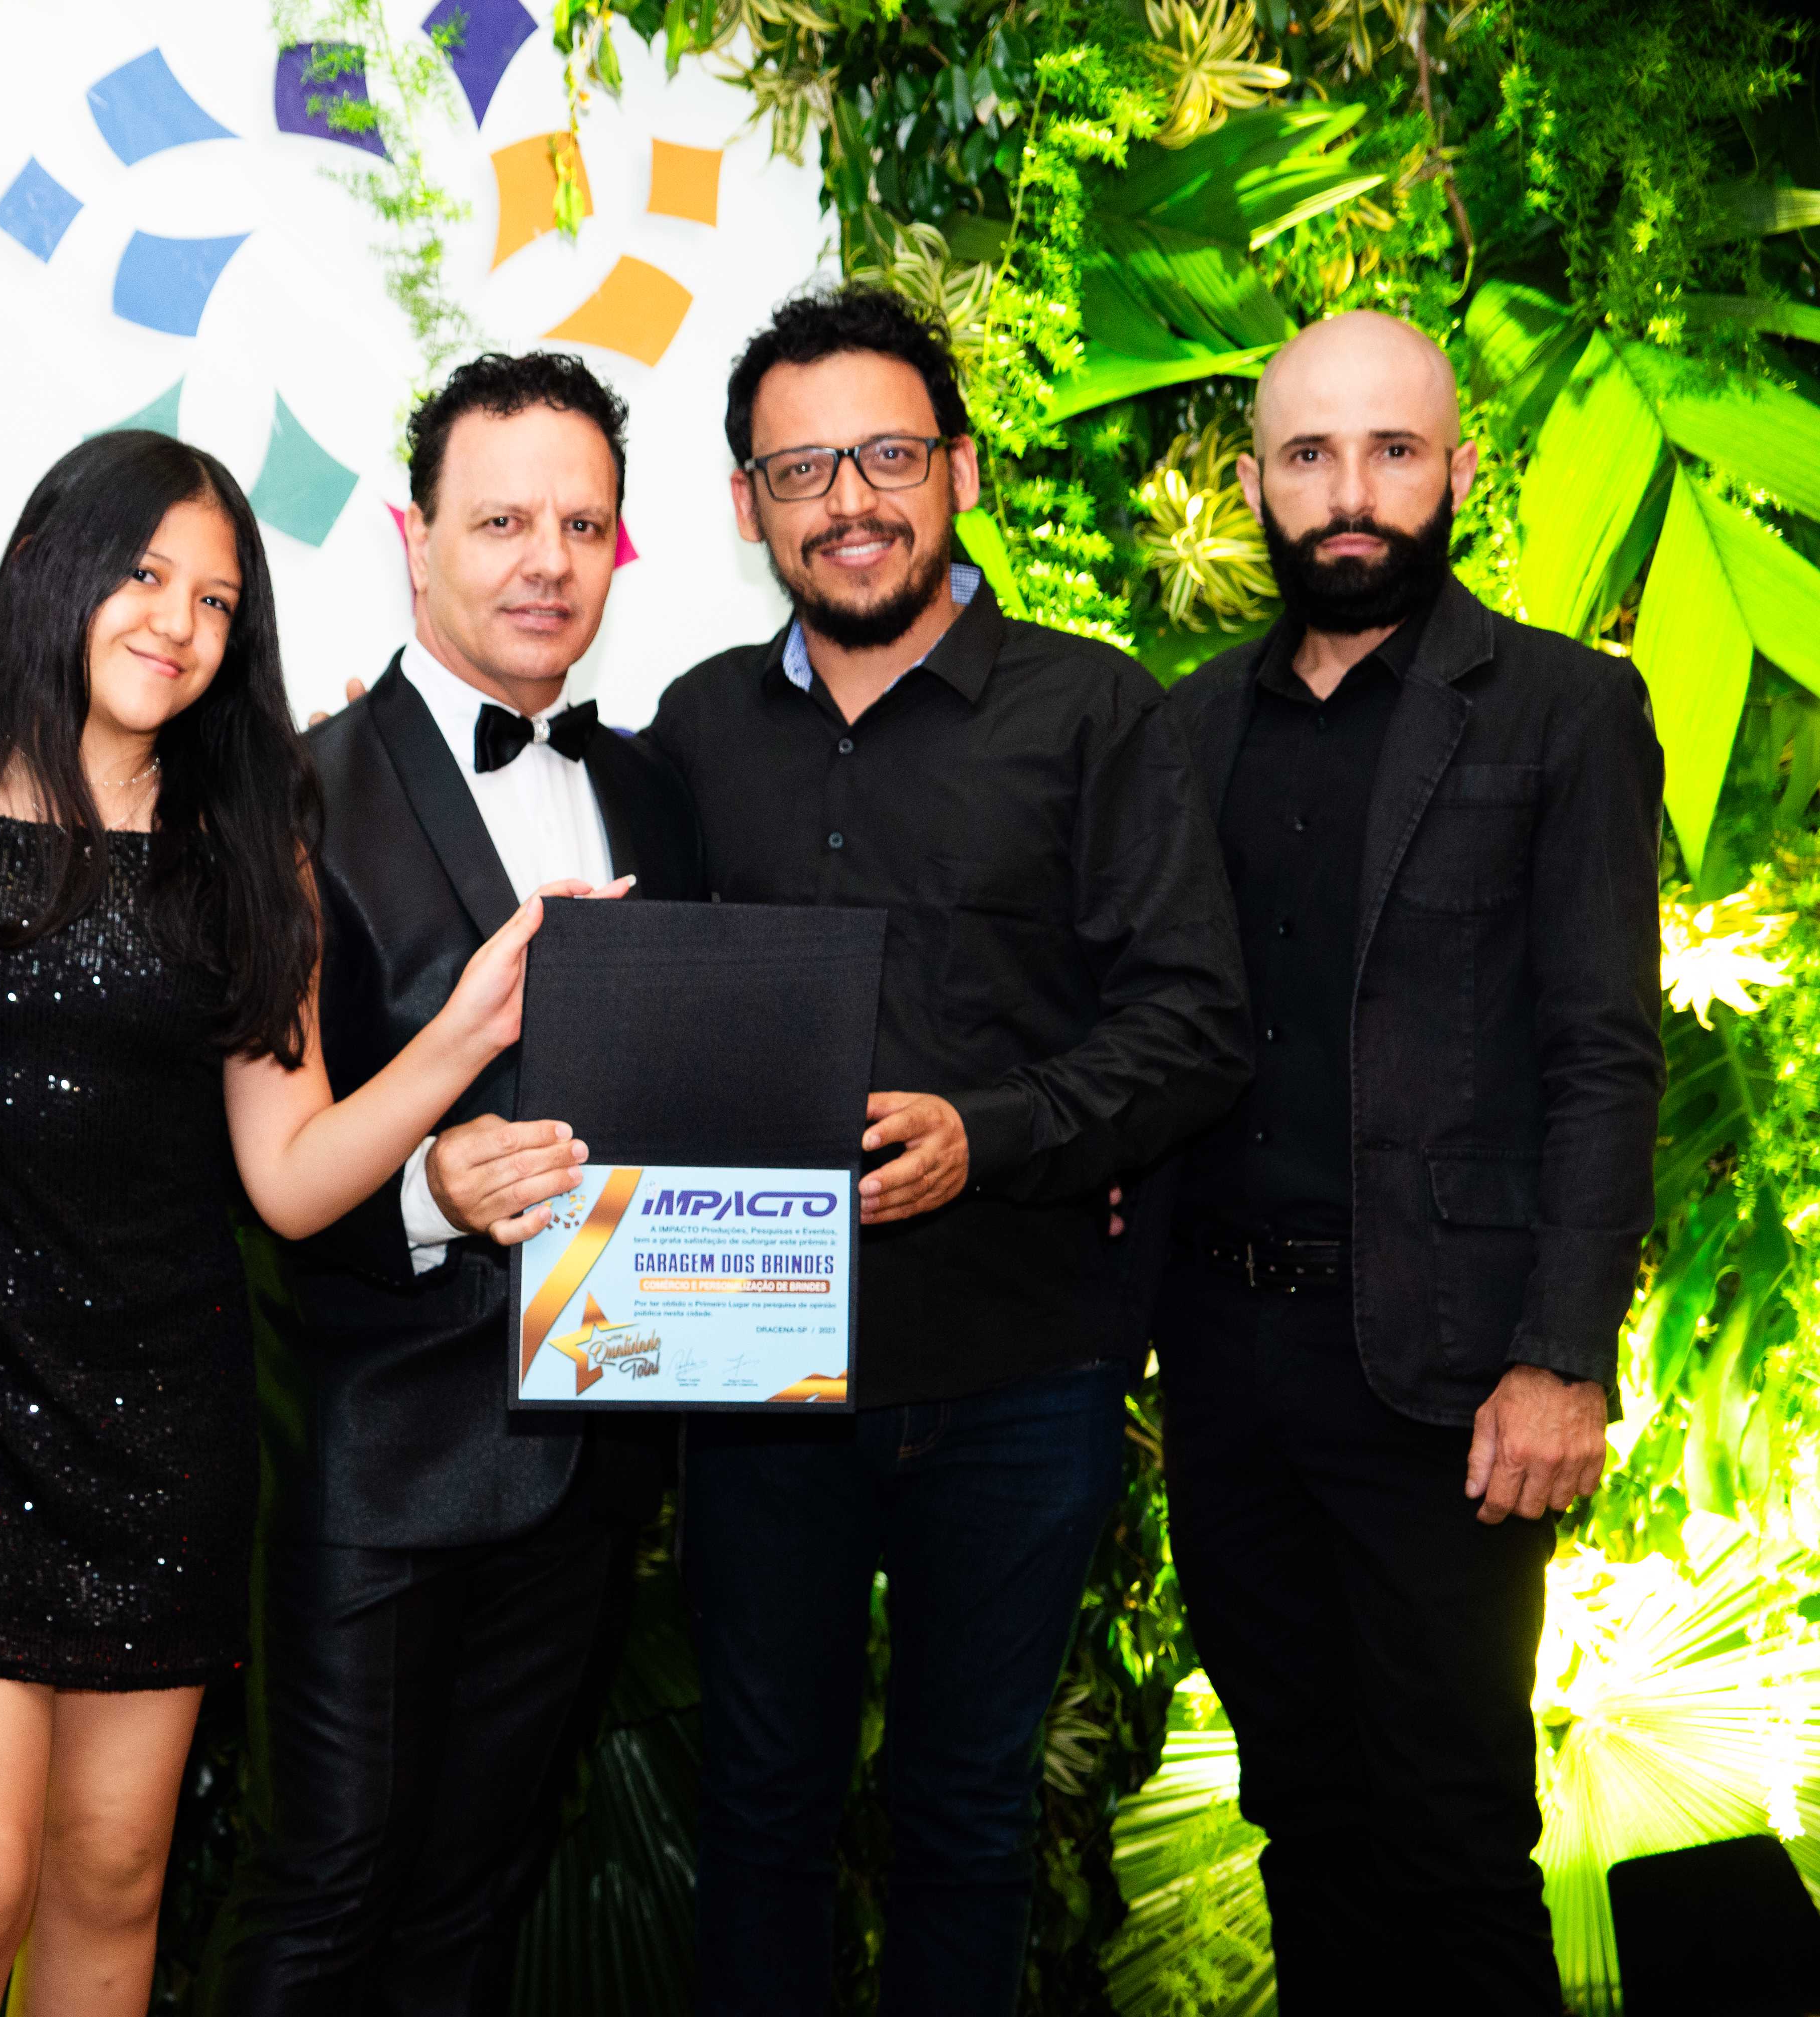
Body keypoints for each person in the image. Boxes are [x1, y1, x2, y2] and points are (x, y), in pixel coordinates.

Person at [0, 428, 592, 2017]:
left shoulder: (244, 853)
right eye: (143, 576)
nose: (178, 624)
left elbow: (294, 1175)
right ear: (51, 568)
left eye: (216, 601)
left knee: (113, 1876)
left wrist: (468, 1031)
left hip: (163, 1428)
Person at [638, 288, 1251, 2015]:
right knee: (759, 1810)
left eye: (889, 456)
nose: (850, 502)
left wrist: (993, 1134)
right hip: (752, 1370)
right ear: (748, 504)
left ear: (962, 472)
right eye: (802, 469)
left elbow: (1196, 1020)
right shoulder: (694, 730)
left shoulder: (1094, 712)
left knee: (969, 1820)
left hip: (1019, 1371)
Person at [1155, 311, 1662, 2012]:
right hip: (1226, 1366)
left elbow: (1603, 1051)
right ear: (1255, 485)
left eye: (1391, 451)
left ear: (1459, 471)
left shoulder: (1564, 711)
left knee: (1452, 1838)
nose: (1350, 492)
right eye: (1309, 455)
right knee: (1301, 1819)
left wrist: (1564, 1357)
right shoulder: (1185, 730)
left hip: (1450, 1383)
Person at [205, 352, 701, 2015]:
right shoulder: (288, 792)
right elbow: (243, 1158)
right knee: (321, 1888)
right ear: (413, 540)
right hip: (373, 1451)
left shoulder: (658, 793)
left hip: (596, 1452)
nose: (547, 561)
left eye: (583, 525)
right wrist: (430, 1187)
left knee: (475, 1910)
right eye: (501, 522)